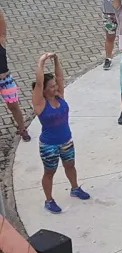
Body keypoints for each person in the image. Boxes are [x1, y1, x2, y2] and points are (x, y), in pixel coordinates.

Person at [32, 53, 90, 214]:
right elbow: (38, 83)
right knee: (49, 172)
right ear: (43, 90)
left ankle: (75, 188)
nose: (55, 87)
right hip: (49, 145)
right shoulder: (40, 104)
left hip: (66, 140)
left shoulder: (60, 96)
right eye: (51, 86)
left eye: (55, 85)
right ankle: (49, 200)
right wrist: (42, 61)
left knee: (70, 165)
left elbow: (59, 77)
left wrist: (57, 60)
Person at [0, 10, 31, 142]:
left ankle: (22, 128)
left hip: (5, 80)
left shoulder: (1, 40)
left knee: (13, 106)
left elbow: (2, 26)